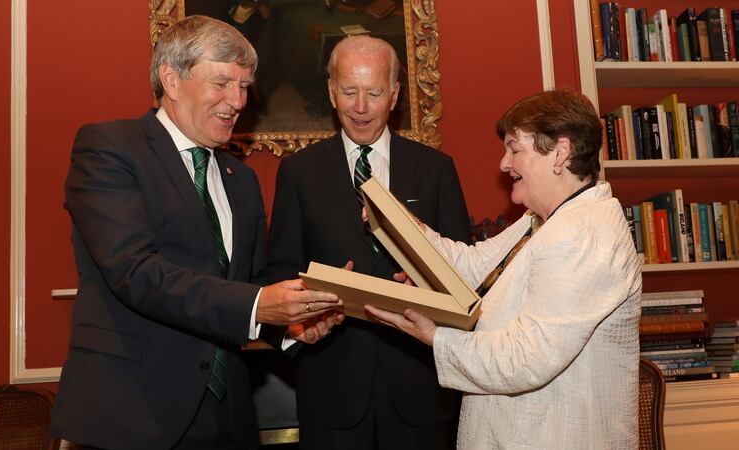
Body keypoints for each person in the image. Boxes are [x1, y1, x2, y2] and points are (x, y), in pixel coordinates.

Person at [50, 16, 344, 450]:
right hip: (132, 413)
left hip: (229, 416)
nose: (237, 100)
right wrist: (262, 304)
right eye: (222, 83)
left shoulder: (239, 179)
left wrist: (289, 326)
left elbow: (245, 286)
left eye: (244, 86)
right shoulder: (110, 149)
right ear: (171, 78)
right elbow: (136, 272)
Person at [366, 89, 642, 449]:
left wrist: (437, 337)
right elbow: (471, 266)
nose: (503, 164)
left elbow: (525, 360)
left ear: (560, 152)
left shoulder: (582, 233)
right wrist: (407, 227)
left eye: (514, 149)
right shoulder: (542, 221)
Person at [267, 35, 471, 450]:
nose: (360, 107)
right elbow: (279, 272)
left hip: (419, 391)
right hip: (331, 391)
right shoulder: (299, 173)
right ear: (330, 91)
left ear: (394, 95)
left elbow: (463, 277)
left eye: (374, 92)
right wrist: (305, 309)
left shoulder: (435, 170)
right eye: (349, 91)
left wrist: (428, 285)